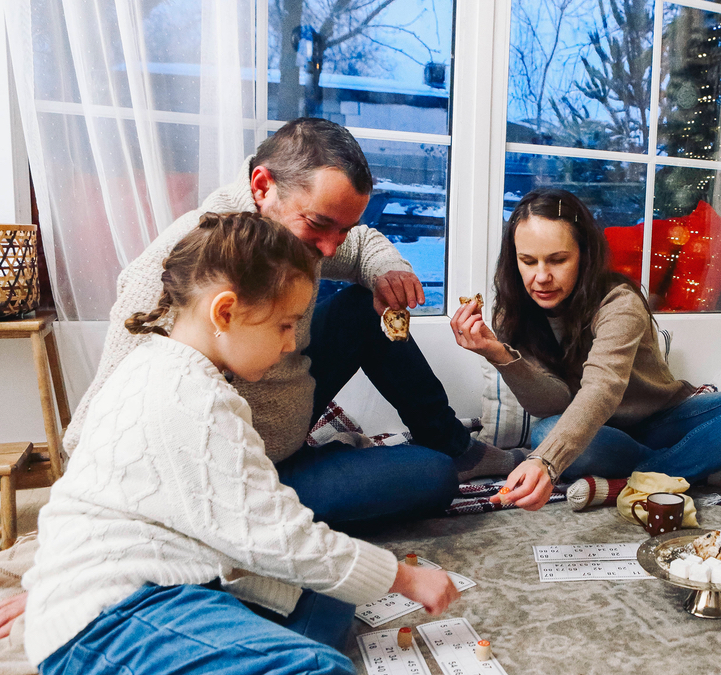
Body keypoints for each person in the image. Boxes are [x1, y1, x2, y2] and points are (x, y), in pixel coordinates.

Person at [24, 212, 460, 675]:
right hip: (113, 617)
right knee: (319, 667)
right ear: (225, 312)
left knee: (331, 596)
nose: (292, 344)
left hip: (172, 579)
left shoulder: (159, 362)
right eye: (284, 326)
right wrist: (403, 577)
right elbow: (276, 535)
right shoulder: (196, 399)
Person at [64, 118, 521, 528]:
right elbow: (93, 429)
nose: (329, 247)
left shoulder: (298, 233)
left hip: (291, 417)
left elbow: (361, 243)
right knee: (431, 477)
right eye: (320, 226)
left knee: (362, 307)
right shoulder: (186, 266)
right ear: (262, 186)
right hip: (248, 475)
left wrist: (387, 269)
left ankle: (456, 446)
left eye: (340, 230)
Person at [449, 189, 721, 511]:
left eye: (558, 260)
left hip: (663, 418)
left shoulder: (619, 302)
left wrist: (545, 463)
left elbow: (602, 388)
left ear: (584, 255)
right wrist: (501, 356)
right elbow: (553, 404)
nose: (541, 277)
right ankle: (691, 469)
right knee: (546, 433)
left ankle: (630, 482)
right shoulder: (511, 312)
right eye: (528, 261)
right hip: (598, 434)